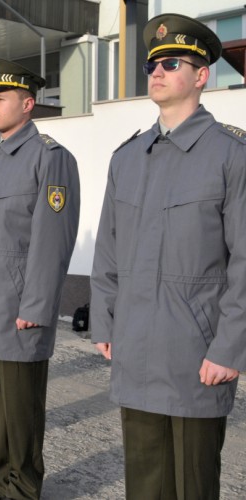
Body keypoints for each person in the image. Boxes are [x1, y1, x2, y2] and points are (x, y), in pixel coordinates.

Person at [90, 14, 245, 498]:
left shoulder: (230, 154)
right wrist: (104, 322)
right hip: (135, 345)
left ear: (202, 76)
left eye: (171, 62)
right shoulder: (128, 157)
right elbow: (108, 251)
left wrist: (229, 347)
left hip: (195, 352)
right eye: (152, 63)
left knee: (192, 483)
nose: (156, 71)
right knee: (145, 480)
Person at [0, 59, 80, 499]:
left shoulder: (50, 158)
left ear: (27, 104)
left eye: (1, 98)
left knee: (21, 408)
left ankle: (24, 487)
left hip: (17, 306)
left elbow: (53, 242)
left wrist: (36, 305)